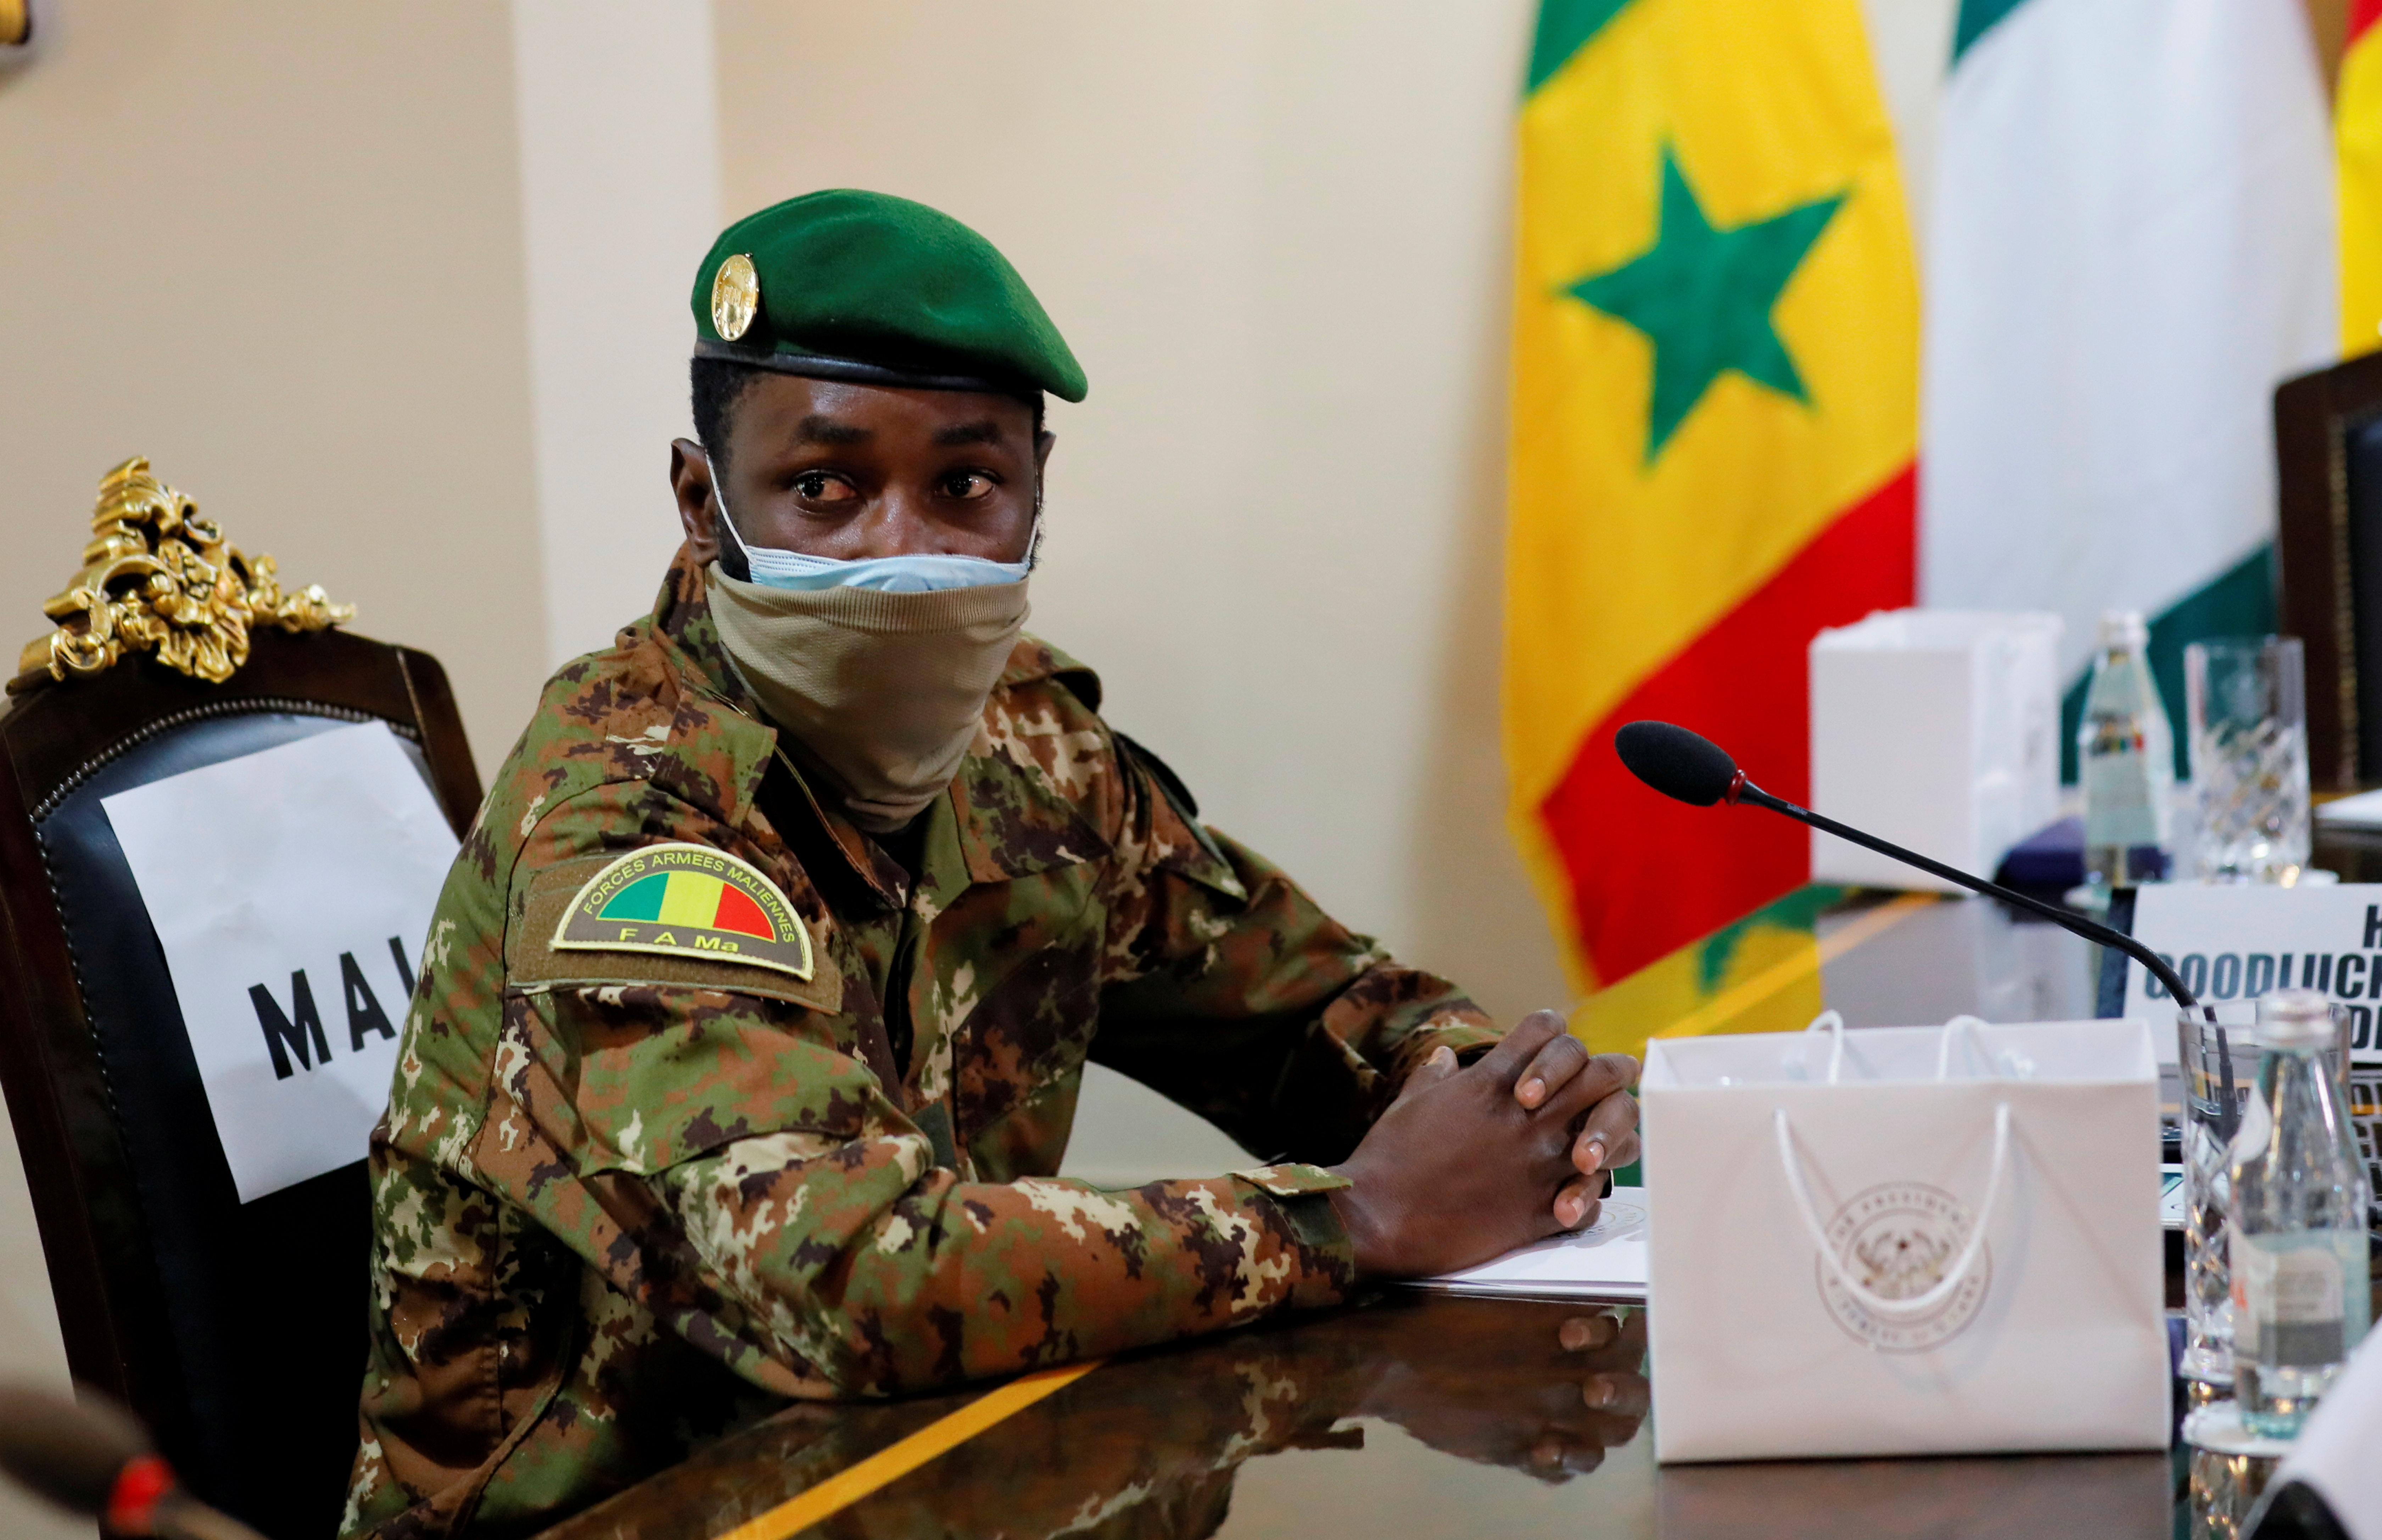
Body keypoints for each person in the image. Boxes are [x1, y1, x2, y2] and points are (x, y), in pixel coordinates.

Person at [342, 189, 1640, 1538]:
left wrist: (1509, 1109)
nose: (903, 548)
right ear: (701, 501)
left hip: (938, 1476)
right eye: (825, 487)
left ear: (1035, 493)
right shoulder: (622, 818)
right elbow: (847, 1278)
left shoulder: (1026, 741)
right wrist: (1355, 1220)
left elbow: (1313, 1007)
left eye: (965, 485)